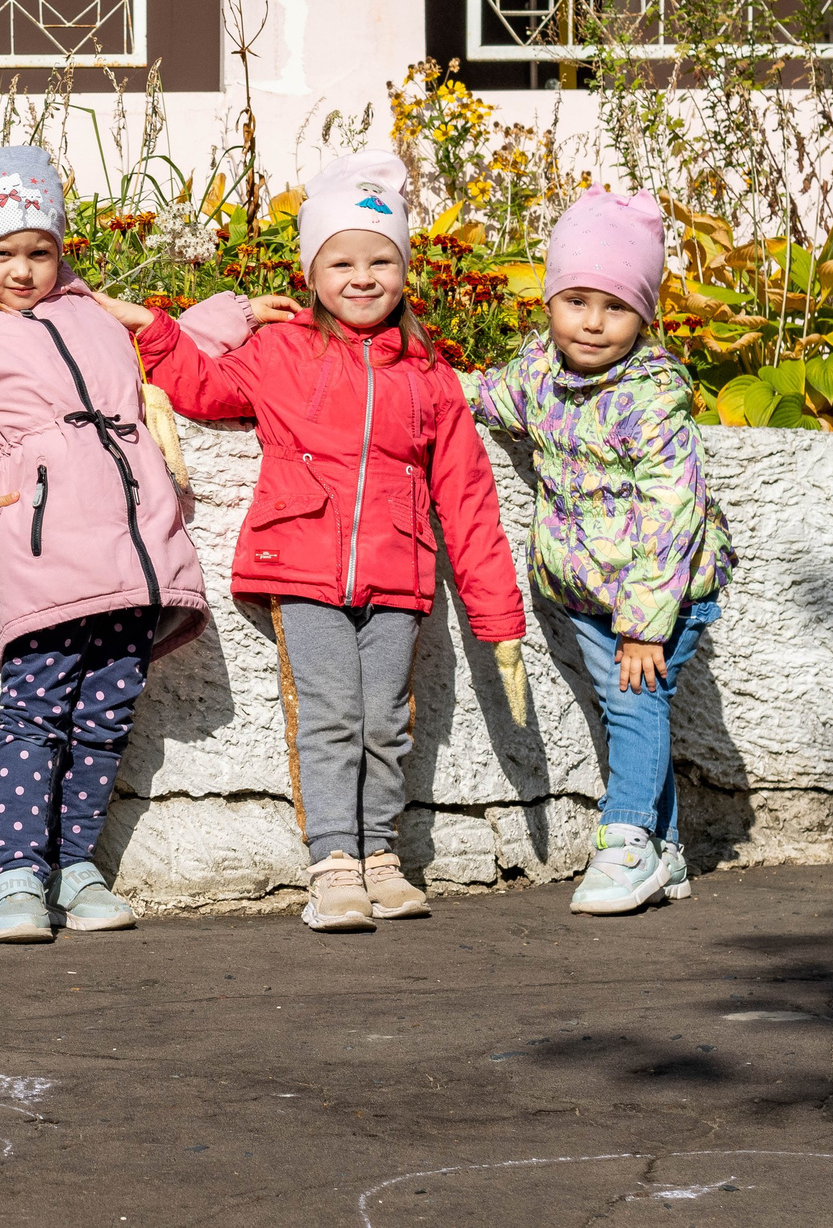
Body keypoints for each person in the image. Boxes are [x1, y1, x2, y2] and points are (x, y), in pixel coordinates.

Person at [108, 151, 524, 933]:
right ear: (311, 270)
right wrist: (156, 330)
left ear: (405, 268)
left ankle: (380, 857)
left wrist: (499, 622)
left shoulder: (429, 372)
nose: (361, 277)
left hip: (397, 573)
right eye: (340, 260)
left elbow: (467, 497)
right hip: (301, 569)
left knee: (386, 719)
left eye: (380, 259)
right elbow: (205, 386)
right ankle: (334, 861)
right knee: (330, 713)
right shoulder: (282, 351)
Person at [0, 146, 210, 945]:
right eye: (1, 253)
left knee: (106, 713)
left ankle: (76, 865)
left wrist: (231, 313)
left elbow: (173, 332)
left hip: (137, 556)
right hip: (45, 557)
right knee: (35, 713)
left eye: (39, 250)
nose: (22, 269)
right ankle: (16, 875)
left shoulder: (92, 312)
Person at [467, 187, 734, 916]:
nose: (592, 322)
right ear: (549, 300)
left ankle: (624, 842)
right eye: (575, 299)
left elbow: (673, 511)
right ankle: (667, 849)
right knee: (632, 711)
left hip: (659, 593)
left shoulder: (651, 396)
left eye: (615, 307)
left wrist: (647, 623)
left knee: (633, 704)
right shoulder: (541, 371)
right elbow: (495, 400)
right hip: (587, 592)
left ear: (644, 315)